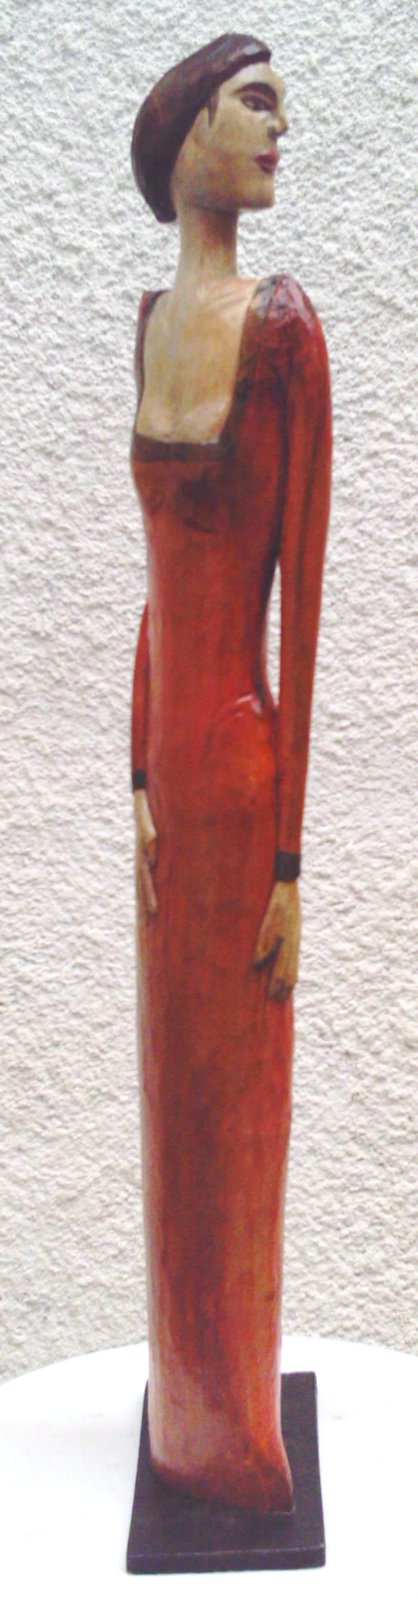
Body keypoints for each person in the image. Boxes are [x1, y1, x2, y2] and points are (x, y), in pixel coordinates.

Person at [130, 33, 332, 1512]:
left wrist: (291, 863)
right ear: (186, 136)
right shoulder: (151, 322)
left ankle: (240, 1436)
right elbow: (155, 587)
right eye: (254, 103)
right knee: (171, 1102)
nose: (280, 127)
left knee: (235, 1104)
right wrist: (130, 775)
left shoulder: (285, 331)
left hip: (248, 783)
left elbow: (301, 609)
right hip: (164, 800)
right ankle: (184, 1425)